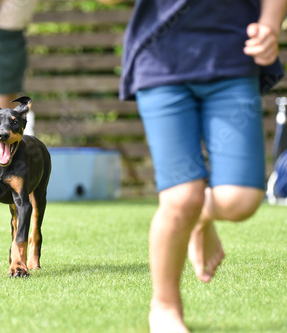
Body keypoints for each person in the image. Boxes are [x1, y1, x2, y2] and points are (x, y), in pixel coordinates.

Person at [120, 1, 287, 332]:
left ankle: (201, 216)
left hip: (234, 59)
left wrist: (270, 23)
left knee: (241, 201)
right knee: (181, 198)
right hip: (161, 63)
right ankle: (165, 307)